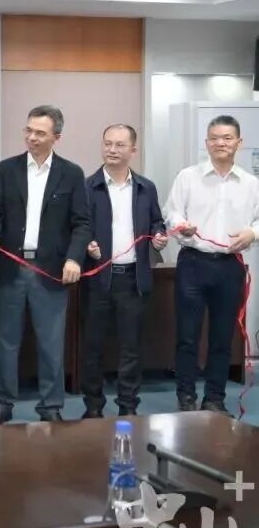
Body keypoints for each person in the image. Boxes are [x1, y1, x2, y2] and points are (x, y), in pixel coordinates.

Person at [0, 105, 91, 424]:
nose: (31, 137)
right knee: (5, 341)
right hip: (9, 268)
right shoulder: (6, 169)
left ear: (57, 137)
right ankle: (1, 404)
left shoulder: (71, 173)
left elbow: (81, 222)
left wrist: (74, 257)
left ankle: (51, 406)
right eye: (28, 130)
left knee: (51, 343)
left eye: (40, 133)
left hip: (50, 271)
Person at [164, 115, 259, 415]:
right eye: (215, 138)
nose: (220, 143)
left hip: (230, 266)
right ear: (206, 143)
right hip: (193, 263)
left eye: (227, 138)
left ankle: (214, 399)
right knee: (187, 336)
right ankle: (186, 396)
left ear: (239, 143)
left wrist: (253, 233)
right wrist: (182, 226)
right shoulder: (188, 177)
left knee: (222, 337)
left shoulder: (251, 184)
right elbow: (171, 213)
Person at [81, 125, 167, 419]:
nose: (112, 150)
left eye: (119, 145)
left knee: (131, 348)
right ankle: (93, 407)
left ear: (133, 150)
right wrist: (86, 245)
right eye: (107, 143)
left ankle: (128, 406)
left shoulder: (146, 187)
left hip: (133, 279)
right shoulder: (87, 186)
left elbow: (157, 222)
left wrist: (158, 235)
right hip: (98, 278)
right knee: (92, 347)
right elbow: (77, 226)